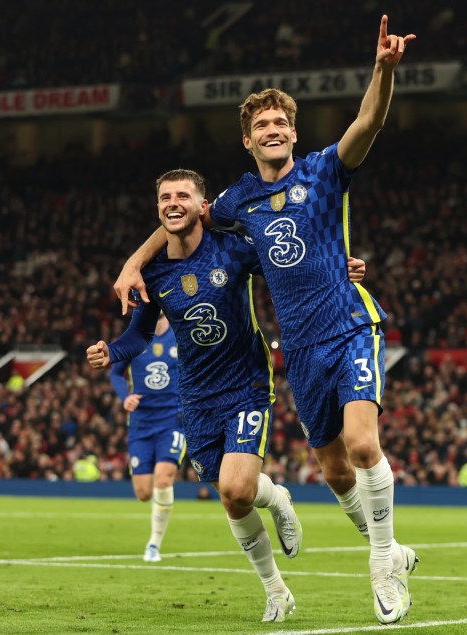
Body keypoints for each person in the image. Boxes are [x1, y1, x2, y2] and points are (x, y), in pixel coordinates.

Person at [115, 15, 418, 624]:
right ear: (248, 142)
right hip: (299, 349)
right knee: (333, 470)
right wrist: (135, 261)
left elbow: (369, 123)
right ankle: (391, 549)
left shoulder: (323, 171)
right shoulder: (235, 202)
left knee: (362, 444)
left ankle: (383, 563)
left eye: (281, 122)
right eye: (262, 125)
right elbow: (180, 217)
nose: (273, 129)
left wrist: (382, 72)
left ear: (294, 132)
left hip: (351, 323)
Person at [91, 169, 365, 623]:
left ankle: (277, 500)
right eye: (164, 197)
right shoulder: (154, 273)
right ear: (157, 209)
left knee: (240, 486)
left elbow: (292, 261)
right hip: (195, 395)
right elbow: (137, 336)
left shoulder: (234, 249)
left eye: (183, 195)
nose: (172, 202)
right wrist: (110, 350)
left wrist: (341, 263)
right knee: (231, 499)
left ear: (203, 206)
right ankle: (276, 590)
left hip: (246, 384)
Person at [109, 312, 185, 562]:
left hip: (173, 420)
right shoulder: (136, 337)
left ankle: (154, 544)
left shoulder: (180, 332)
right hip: (141, 423)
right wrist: (125, 397)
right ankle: (156, 528)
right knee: (143, 492)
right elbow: (116, 373)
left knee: (163, 480)